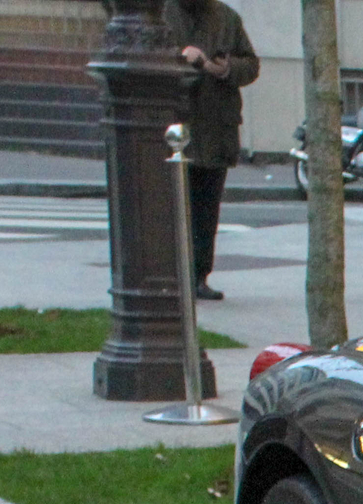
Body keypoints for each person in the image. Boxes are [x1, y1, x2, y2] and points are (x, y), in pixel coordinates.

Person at [163, 0, 259, 301]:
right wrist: (180, 58)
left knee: (206, 210)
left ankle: (199, 276)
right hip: (176, 128)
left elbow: (251, 64)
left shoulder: (226, 18)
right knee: (175, 208)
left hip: (216, 128)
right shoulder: (162, 13)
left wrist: (224, 68)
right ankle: (173, 275)